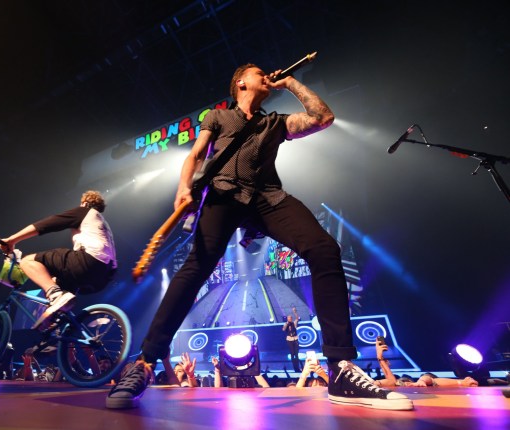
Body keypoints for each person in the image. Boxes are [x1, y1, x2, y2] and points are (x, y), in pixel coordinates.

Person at [105, 62, 412, 411]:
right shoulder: (219, 117)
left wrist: (292, 83)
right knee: (197, 267)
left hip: (267, 197)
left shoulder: (275, 122)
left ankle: (340, 367)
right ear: (240, 83)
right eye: (258, 72)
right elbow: (194, 155)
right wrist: (182, 189)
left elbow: (322, 117)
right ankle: (145, 363)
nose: (265, 75)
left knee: (325, 249)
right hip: (223, 195)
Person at [0, 190, 117, 329]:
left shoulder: (84, 212)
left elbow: (47, 224)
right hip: (102, 278)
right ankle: (55, 340)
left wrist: (12, 240)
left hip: (88, 262)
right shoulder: (102, 224)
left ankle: (55, 295)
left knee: (27, 261)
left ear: (84, 203)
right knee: (55, 288)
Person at [283, 307, 301, 372]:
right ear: (287, 319)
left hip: (295, 339)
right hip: (289, 340)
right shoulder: (286, 324)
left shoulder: (294, 323)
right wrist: (286, 324)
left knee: (296, 354)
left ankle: (298, 367)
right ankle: (295, 368)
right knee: (292, 354)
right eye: (288, 318)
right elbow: (283, 329)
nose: (289, 319)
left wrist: (295, 312)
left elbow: (297, 318)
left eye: (290, 318)